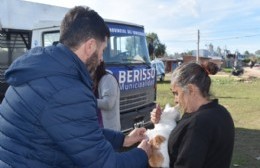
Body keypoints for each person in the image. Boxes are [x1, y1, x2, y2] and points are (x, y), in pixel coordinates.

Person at [0, 6, 151, 168]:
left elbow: (79, 131)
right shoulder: (67, 90)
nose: (101, 59)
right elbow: (104, 164)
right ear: (90, 46)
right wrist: (142, 153)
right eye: (103, 50)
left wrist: (123, 139)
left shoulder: (41, 71)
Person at [151, 61, 235, 168]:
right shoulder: (221, 112)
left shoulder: (198, 123)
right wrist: (161, 122)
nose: (175, 100)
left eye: (176, 93)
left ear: (191, 89)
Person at [93, 61, 121, 131]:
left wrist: (87, 100)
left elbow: (108, 103)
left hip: (109, 129)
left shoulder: (108, 79)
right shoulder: (95, 80)